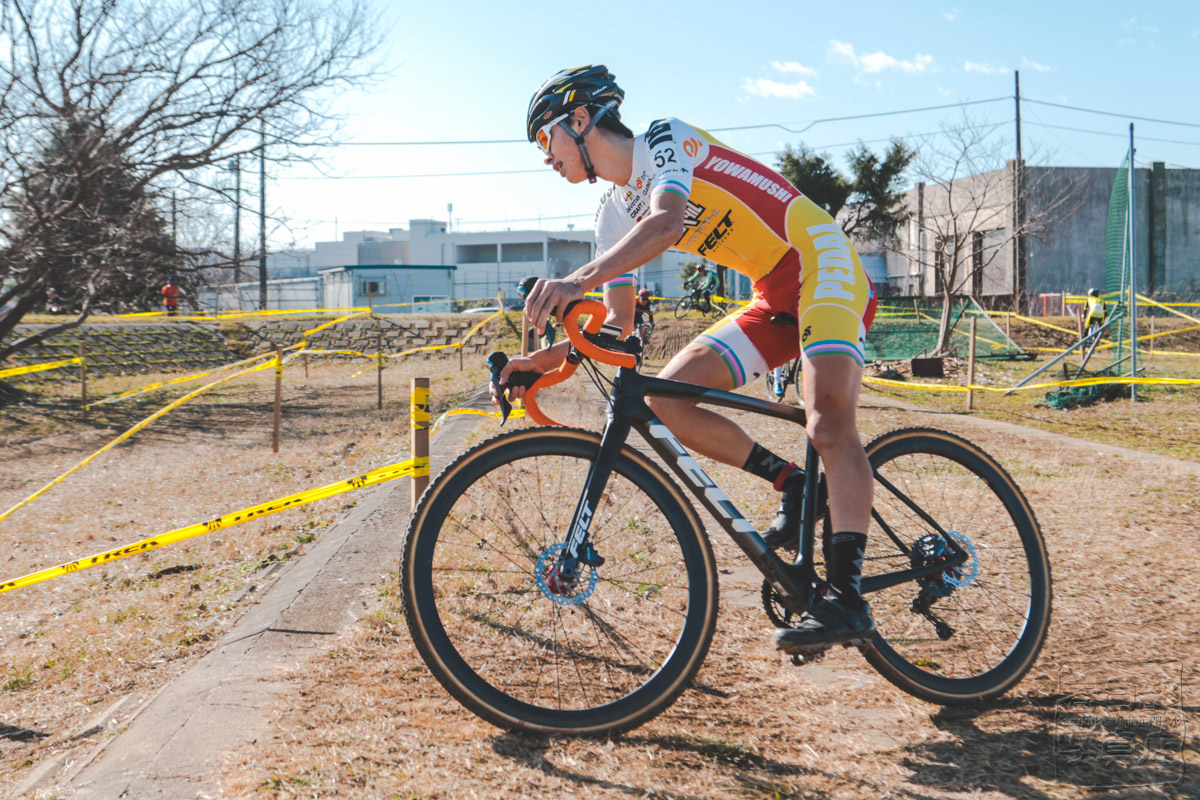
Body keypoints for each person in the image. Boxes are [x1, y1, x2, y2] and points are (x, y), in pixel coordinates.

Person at [496, 65, 878, 652]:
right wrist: (538, 365)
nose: (546, 157)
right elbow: (616, 330)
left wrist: (576, 279)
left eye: (546, 140)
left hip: (819, 258)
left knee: (827, 418)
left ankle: (848, 600)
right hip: (772, 293)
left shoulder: (665, 140)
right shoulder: (613, 213)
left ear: (580, 120)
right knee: (663, 401)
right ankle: (794, 482)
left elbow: (669, 221)